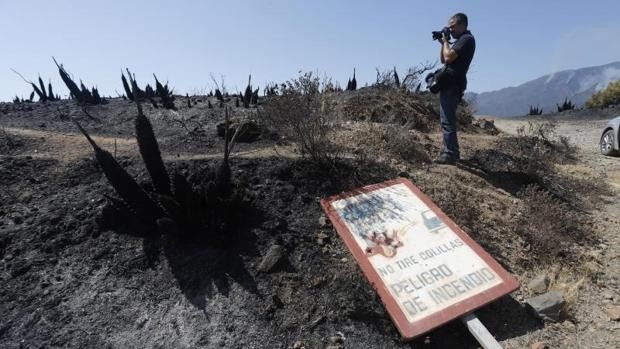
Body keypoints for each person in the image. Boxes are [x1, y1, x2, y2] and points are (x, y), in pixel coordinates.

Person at [436, 13, 475, 165]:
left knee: (447, 120)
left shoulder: (467, 39)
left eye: (453, 26)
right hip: (451, 83)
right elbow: (443, 59)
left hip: (453, 84)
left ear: (463, 25)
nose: (450, 30)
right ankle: (450, 151)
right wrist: (443, 43)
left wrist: (446, 40)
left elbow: (448, 57)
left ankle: (451, 154)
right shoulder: (460, 40)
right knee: (446, 119)